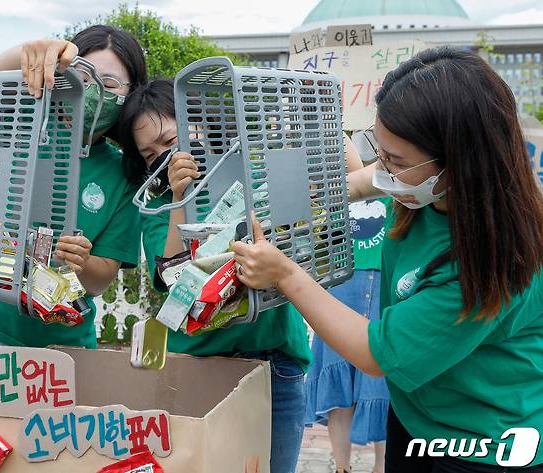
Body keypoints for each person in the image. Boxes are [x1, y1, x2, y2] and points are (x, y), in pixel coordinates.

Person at [232, 47, 543, 472]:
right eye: (382, 152)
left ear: (459, 164)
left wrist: (285, 273)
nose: (385, 171)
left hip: (487, 442)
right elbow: (366, 181)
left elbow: (374, 353)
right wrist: (322, 191)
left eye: (396, 161)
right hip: (420, 416)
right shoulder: (430, 193)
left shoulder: (496, 259)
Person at [117, 79, 365, 473]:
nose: (164, 157)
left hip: (276, 361)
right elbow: (173, 282)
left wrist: (322, 121)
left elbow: (348, 181)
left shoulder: (254, 168)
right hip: (203, 364)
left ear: (198, 122)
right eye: (151, 154)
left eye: (170, 140)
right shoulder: (161, 205)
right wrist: (181, 198)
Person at [0, 25, 148, 349]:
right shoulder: (22, 119)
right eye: (84, 78)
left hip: (61, 340)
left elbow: (100, 279)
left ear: (131, 94)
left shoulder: (123, 173)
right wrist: (37, 50)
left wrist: (83, 260)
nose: (93, 93)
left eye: (109, 84)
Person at [305, 195, 392, 473]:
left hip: (387, 282)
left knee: (384, 384)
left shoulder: (398, 175)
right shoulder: (336, 180)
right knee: (336, 381)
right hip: (341, 280)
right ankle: (341, 468)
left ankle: (382, 467)